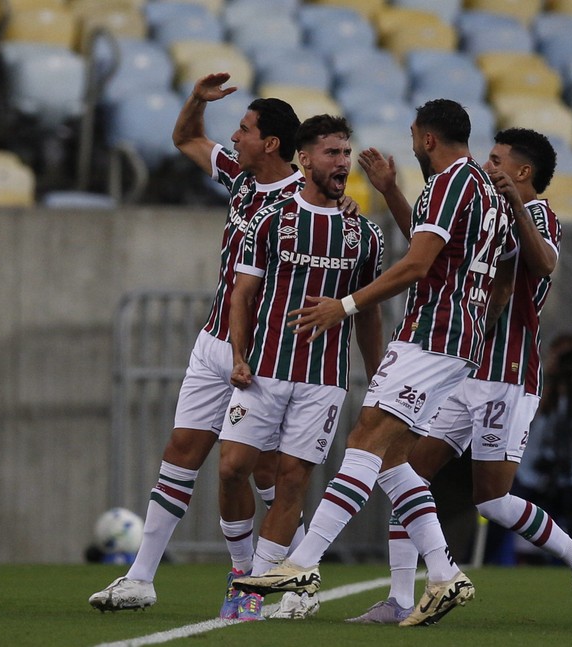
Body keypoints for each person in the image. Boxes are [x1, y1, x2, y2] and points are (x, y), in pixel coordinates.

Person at [233, 99, 515, 627]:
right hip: (460, 337)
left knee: (364, 439)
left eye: (413, 135)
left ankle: (302, 561)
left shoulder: (452, 183)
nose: (410, 144)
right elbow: (440, 250)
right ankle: (445, 573)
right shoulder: (484, 190)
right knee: (391, 460)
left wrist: (343, 304)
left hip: (434, 333)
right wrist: (389, 191)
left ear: (428, 139)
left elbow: (417, 264)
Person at [88, 73, 349, 616]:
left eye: (245, 129)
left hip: (268, 355)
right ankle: (145, 578)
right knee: (183, 453)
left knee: (263, 471)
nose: (234, 137)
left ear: (271, 143)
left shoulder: (304, 203)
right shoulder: (241, 179)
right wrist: (195, 100)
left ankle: (288, 574)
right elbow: (186, 139)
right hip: (215, 343)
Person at [346, 128, 572, 630]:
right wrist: (392, 193)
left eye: (495, 159)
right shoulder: (483, 208)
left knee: (492, 497)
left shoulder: (537, 215)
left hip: (505, 375)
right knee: (405, 471)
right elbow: (435, 249)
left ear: (522, 172)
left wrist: (513, 206)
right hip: (461, 365)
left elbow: (546, 262)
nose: (486, 166)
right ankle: (402, 596)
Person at [216, 114, 385, 620]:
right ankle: (244, 570)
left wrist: (377, 378)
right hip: (264, 369)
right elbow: (242, 294)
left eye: (346, 153)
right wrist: (240, 356)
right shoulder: (271, 218)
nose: (342, 162)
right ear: (305, 159)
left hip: (324, 380)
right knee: (231, 470)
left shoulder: (364, 234)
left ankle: (248, 592)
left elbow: (371, 312)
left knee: (291, 483)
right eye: (332, 153)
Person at [512, 332, 572, 562]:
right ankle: (494, 559)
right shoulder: (540, 387)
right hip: (531, 476)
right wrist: (547, 377)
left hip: (571, 478)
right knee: (503, 503)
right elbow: (528, 415)